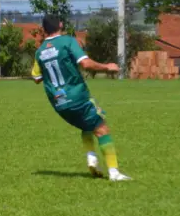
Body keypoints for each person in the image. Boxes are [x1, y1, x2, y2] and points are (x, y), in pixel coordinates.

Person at [31, 15, 130, 181]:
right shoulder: (68, 41)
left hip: (59, 103)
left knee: (86, 124)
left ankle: (92, 157)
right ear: (61, 24)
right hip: (77, 97)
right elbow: (85, 63)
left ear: (44, 29)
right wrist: (108, 67)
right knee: (102, 128)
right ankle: (114, 173)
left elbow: (36, 78)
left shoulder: (39, 51)